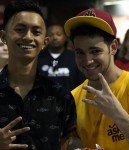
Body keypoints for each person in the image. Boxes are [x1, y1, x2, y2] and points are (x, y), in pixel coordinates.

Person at [64, 8, 129, 150]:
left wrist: (117, 115)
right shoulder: (74, 97)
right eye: (80, 53)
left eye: (95, 51)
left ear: (113, 47)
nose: (87, 61)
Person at [0, 0, 76, 149]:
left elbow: (70, 143)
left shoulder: (61, 97)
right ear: (3, 37)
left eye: (36, 32)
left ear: (44, 42)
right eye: (20, 29)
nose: (28, 37)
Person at [38, 24, 85, 91]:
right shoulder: (38, 58)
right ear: (46, 38)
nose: (55, 37)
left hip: (70, 100)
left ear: (65, 37)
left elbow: (82, 83)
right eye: (51, 35)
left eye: (58, 34)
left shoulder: (75, 57)